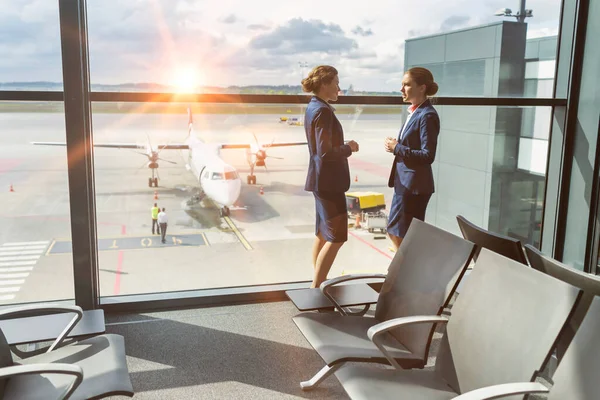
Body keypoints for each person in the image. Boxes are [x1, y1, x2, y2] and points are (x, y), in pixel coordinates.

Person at [302, 65, 360, 288]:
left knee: (322, 234)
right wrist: (349, 147)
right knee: (336, 237)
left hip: (320, 181)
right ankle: (317, 288)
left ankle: (317, 281)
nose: (339, 87)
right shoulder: (323, 111)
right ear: (324, 84)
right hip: (329, 183)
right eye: (336, 82)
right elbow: (325, 152)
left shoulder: (313, 107)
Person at [384, 67, 440, 251]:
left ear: (422, 88)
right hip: (406, 184)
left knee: (400, 234)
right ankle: (406, 273)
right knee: (397, 232)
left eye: (406, 85)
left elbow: (427, 155)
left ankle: (406, 273)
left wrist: (397, 148)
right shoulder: (415, 112)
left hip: (414, 187)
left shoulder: (427, 115)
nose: (401, 89)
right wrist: (397, 145)